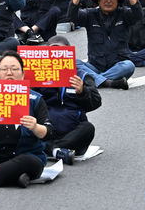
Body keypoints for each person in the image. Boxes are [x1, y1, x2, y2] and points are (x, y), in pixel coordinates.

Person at [0, 52, 53, 188]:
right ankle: (12, 177)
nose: (9, 73)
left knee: (27, 161)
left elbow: (48, 132)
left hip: (25, 157)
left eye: (14, 69)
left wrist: (35, 127)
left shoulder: (35, 99)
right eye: (4, 69)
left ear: (23, 74)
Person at [37, 35, 101, 164]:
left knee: (88, 128)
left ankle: (51, 149)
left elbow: (96, 102)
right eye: (51, 52)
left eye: (59, 52)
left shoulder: (81, 75)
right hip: (45, 128)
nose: (55, 56)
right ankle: (56, 151)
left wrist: (83, 91)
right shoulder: (37, 74)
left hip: (72, 130)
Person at [68, 0, 140, 89]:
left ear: (117, 0)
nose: (108, 1)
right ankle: (108, 82)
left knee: (129, 66)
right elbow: (72, 17)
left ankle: (96, 80)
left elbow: (138, 15)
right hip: (95, 66)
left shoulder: (124, 13)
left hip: (117, 66)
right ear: (98, 0)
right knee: (72, 63)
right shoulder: (90, 14)